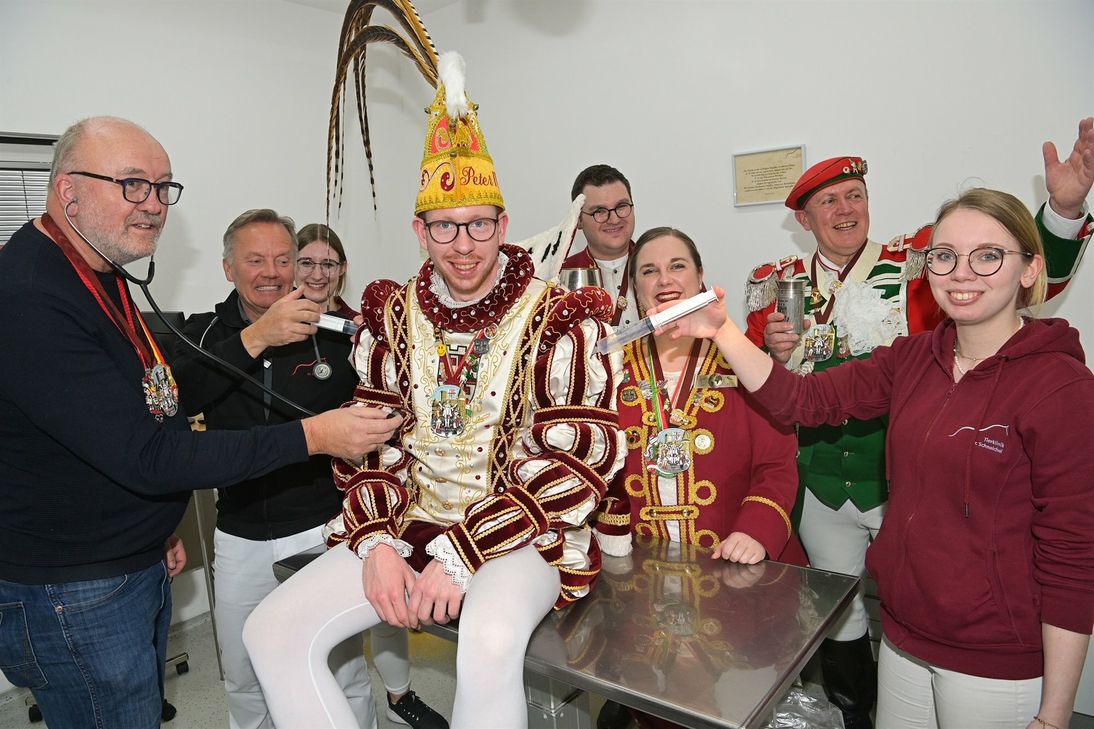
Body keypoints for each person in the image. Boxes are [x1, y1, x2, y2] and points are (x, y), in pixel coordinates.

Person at [242, 53, 625, 729]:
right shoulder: (392, 317)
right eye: (444, 226)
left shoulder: (557, 316)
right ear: (420, 232)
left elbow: (573, 461)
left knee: (488, 639)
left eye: (480, 224)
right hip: (406, 521)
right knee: (269, 631)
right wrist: (379, 542)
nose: (465, 245)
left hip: (516, 537)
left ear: (503, 225)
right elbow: (372, 444)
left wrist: (465, 550)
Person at [0, 116, 402, 729]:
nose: (154, 204)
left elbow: (155, 400)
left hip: (129, 560)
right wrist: (314, 435)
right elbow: (149, 452)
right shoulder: (33, 294)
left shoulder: (96, 275)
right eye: (133, 185)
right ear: (68, 192)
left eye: (163, 187)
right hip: (76, 590)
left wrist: (151, 526)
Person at [662, 187, 1094, 729]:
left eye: (988, 256)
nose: (962, 274)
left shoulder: (1060, 387)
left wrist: (1056, 715)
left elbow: (1073, 557)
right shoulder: (915, 359)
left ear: (1030, 270)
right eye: (945, 256)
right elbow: (803, 399)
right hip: (905, 639)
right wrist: (720, 329)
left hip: (994, 657)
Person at [170, 211, 444, 729]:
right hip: (240, 534)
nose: (271, 272)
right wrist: (257, 338)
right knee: (244, 673)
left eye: (282, 259)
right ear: (228, 268)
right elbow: (176, 401)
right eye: (255, 260)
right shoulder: (199, 334)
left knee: (340, 671)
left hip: (322, 529)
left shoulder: (335, 335)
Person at [592, 227, 807, 729]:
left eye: (677, 266)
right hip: (640, 576)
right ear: (634, 287)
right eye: (649, 270)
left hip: (729, 572)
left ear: (701, 277)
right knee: (650, 696)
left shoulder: (742, 356)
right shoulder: (607, 367)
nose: (664, 279)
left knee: (737, 702)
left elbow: (777, 463)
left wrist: (755, 530)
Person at [560, 164, 641, 330]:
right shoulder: (558, 277)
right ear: (578, 220)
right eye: (600, 211)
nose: (614, 219)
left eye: (621, 206)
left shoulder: (664, 267)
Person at [296, 223, 357, 317]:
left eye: (328, 264)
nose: (317, 276)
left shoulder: (361, 328)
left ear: (342, 268)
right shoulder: (274, 319)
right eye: (306, 263)